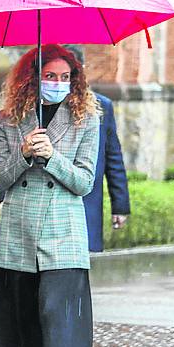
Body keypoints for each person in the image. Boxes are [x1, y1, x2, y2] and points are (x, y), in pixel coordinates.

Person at [0, 43, 100, 347]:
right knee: (28, 318)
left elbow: (85, 182)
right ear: (33, 78)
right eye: (49, 76)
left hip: (63, 233)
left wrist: (52, 156)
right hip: (19, 232)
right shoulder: (9, 119)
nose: (57, 84)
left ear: (75, 81)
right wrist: (22, 153)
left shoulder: (86, 119)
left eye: (64, 77)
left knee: (57, 317)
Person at [63, 45, 131, 252]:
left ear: (82, 68)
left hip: (87, 200)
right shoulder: (38, 104)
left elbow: (112, 158)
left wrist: (120, 206)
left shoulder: (101, 106)